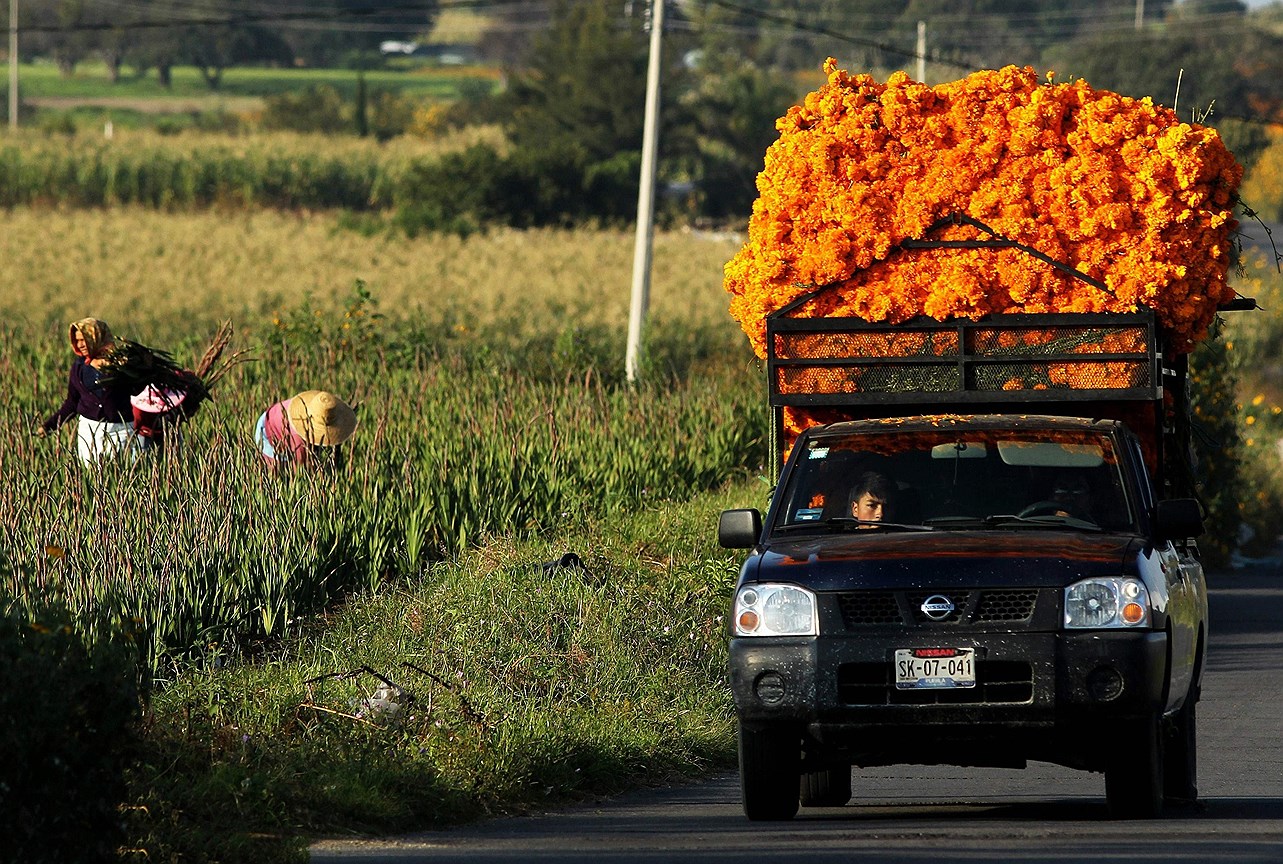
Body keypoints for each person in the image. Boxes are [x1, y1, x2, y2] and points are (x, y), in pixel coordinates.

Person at [40, 317, 142, 464]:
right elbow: (72, 403)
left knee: (121, 474)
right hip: (89, 432)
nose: (80, 344)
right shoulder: (79, 367)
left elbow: (139, 392)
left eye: (84, 339)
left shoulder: (122, 365)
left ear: (96, 337)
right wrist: (49, 426)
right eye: (77, 340)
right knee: (92, 476)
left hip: (121, 430)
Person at [254, 390, 357, 469]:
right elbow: (298, 472)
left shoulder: (320, 405)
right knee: (278, 472)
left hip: (279, 418)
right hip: (266, 431)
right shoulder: (299, 440)